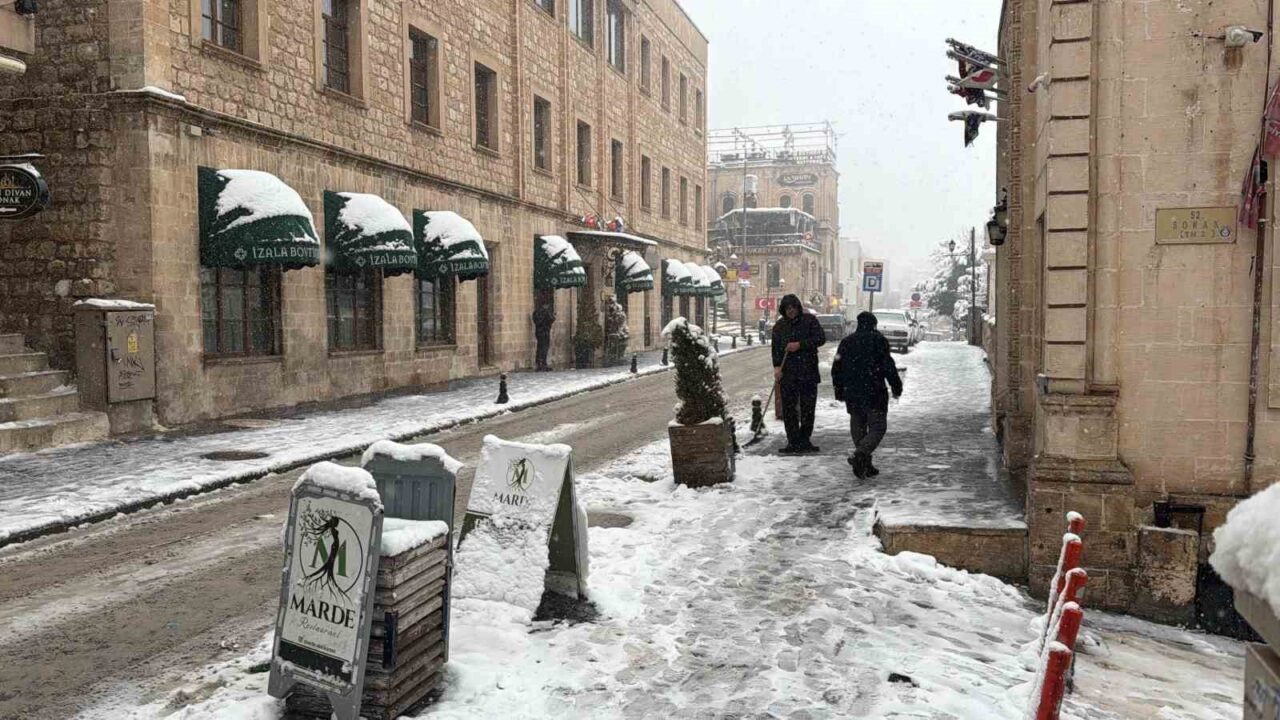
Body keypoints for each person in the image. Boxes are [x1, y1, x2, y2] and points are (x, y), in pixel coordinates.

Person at [831, 311, 903, 479]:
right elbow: (888, 365)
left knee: (858, 426)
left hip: (853, 392)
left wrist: (839, 389)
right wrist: (896, 386)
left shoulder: (847, 342)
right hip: (874, 391)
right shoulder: (879, 341)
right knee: (878, 427)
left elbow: (837, 367)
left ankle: (864, 463)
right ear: (874, 325)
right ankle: (861, 455)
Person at [771, 294, 826, 454]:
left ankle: (805, 440)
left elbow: (820, 339)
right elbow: (775, 349)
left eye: (793, 308)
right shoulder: (779, 326)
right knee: (789, 410)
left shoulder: (810, 321)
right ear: (783, 310)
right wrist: (777, 367)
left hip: (808, 372)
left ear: (798, 308)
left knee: (808, 408)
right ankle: (793, 441)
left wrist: (800, 345)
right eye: (787, 308)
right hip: (788, 373)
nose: (791, 311)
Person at [532, 300, 555, 371]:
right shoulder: (546, 312)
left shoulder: (536, 312)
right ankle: (543, 363)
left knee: (539, 347)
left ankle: (538, 363)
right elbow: (551, 319)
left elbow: (535, 321)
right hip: (545, 332)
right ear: (546, 305)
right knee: (544, 348)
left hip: (538, 332)